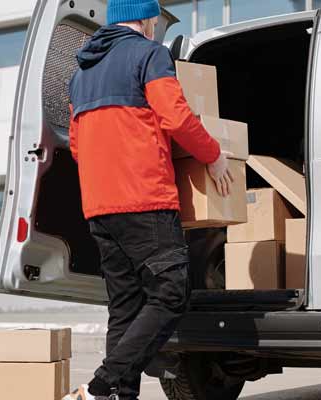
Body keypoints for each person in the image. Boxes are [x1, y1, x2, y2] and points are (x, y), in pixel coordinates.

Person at [62, 0, 233, 398]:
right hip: (144, 198)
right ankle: (101, 386)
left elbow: (75, 143)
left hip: (100, 207)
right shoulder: (149, 55)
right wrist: (213, 155)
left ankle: (119, 396)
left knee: (124, 308)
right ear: (146, 19)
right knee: (171, 294)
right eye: (155, 18)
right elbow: (176, 116)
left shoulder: (81, 73)